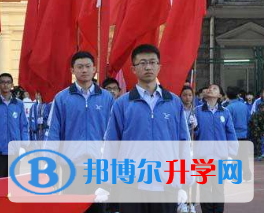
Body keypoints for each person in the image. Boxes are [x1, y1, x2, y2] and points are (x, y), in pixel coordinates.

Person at [103, 44, 190, 213]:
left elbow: (184, 143)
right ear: (133, 69)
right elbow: (111, 144)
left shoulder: (173, 102)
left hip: (166, 182)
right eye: (142, 63)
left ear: (159, 67)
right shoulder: (123, 104)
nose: (148, 67)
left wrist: (184, 181)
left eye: (152, 62)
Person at [47, 51, 114, 213]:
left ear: (94, 69)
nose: (84, 70)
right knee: (73, 208)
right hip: (71, 166)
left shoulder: (107, 98)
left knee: (98, 208)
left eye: (88, 66)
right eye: (80, 67)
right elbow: (53, 133)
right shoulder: (62, 98)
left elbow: (114, 134)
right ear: (72, 70)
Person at [194, 84, 238, 213]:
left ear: (219, 95)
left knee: (219, 189)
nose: (210, 89)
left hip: (220, 157)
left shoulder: (225, 112)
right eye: (208, 88)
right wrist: (194, 127)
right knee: (205, 189)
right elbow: (194, 135)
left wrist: (232, 152)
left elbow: (231, 133)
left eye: (214, 88)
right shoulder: (197, 111)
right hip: (203, 158)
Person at [225, 86, 252, 181]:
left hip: (234, 136)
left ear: (227, 95)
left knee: (235, 156)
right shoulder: (244, 106)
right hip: (244, 135)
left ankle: (236, 175)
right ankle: (247, 174)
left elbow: (227, 124)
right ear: (237, 95)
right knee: (244, 155)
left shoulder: (228, 108)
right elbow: (249, 119)